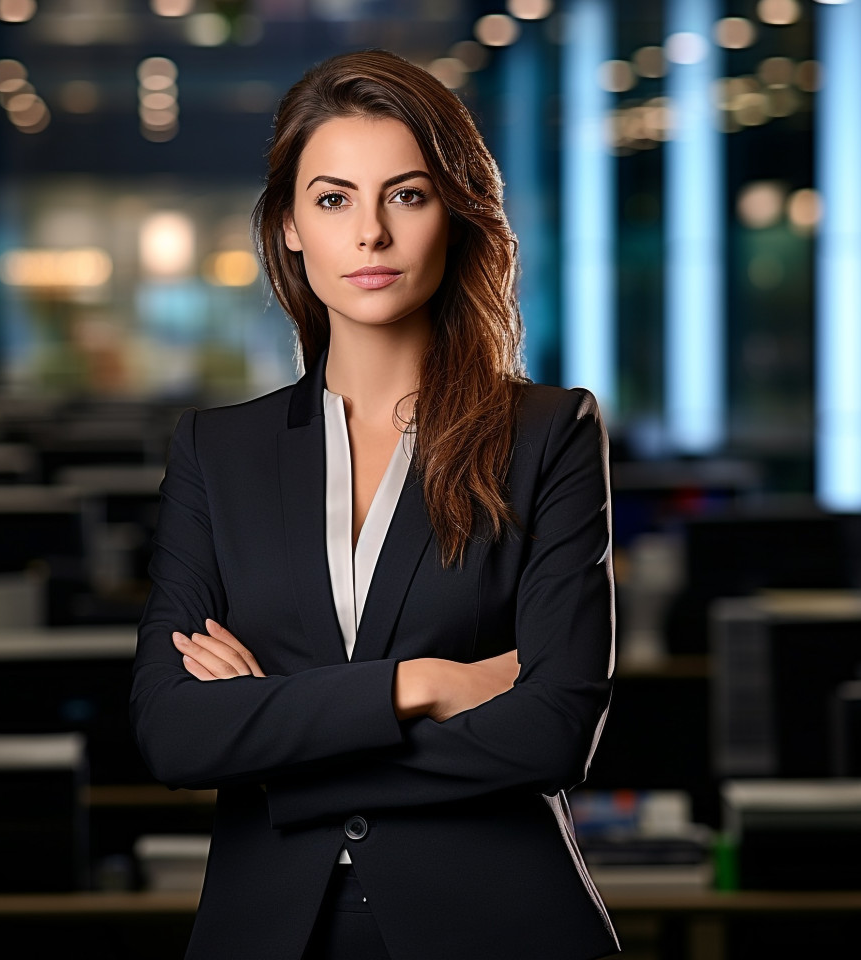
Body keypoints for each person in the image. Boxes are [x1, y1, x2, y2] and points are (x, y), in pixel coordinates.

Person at [130, 48, 620, 960]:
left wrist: (282, 754)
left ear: (456, 215)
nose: (370, 236)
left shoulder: (549, 432)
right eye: (332, 199)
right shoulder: (217, 451)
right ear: (287, 226)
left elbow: (553, 731)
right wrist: (421, 685)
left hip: (498, 929)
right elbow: (173, 731)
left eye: (406, 194)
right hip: (268, 932)